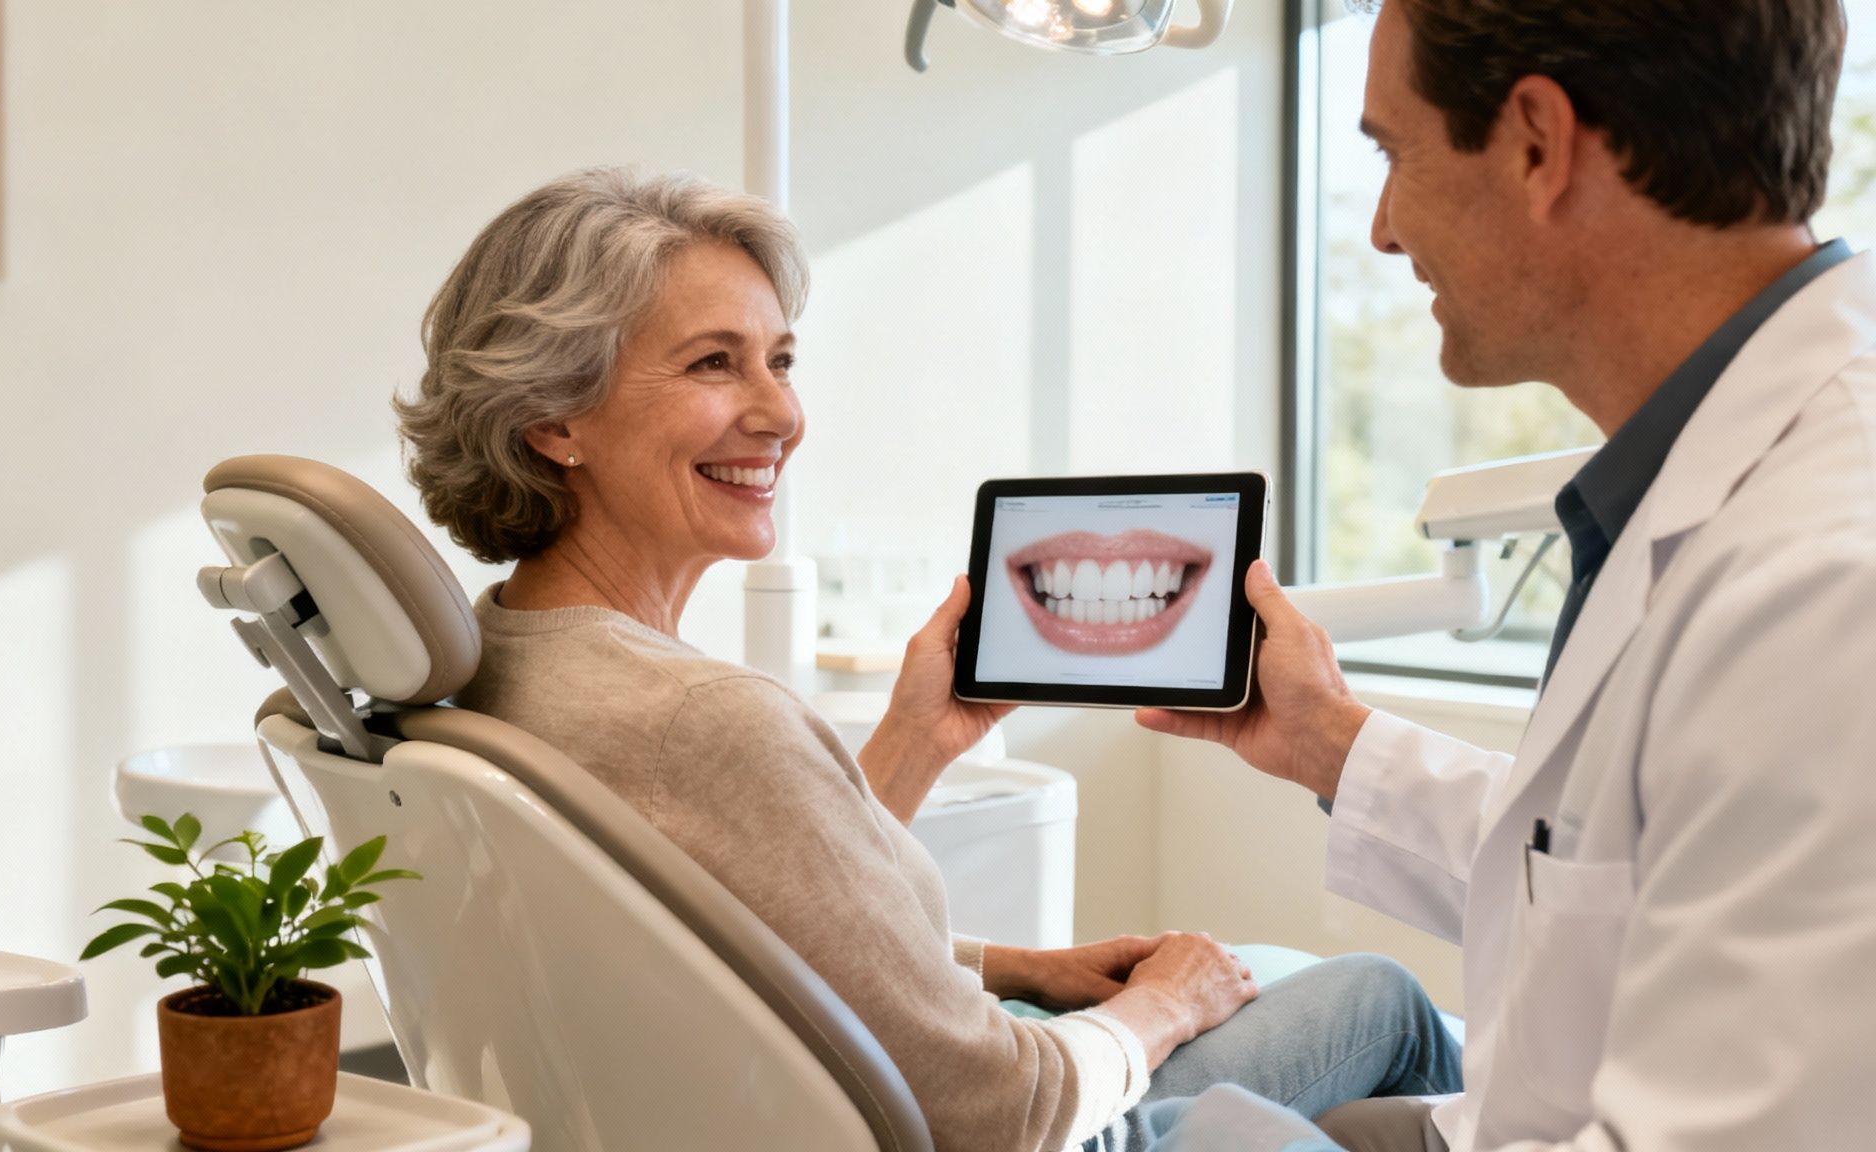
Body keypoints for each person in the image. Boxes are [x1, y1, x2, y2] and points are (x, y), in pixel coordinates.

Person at [394, 166, 1461, 1152]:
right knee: (1380, 995)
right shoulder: (700, 716)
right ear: (552, 421)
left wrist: (982, 898)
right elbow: (1010, 1110)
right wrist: (1166, 1002)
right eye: (713, 363)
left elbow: (722, 950)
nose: (779, 415)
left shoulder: (501, 669)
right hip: (1017, 1132)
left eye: (780, 360)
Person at [1138, 1, 1876, 1149]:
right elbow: (1604, 861)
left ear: (1536, 143)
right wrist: (1328, 739)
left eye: (1394, 154)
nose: (1381, 229)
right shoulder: (1703, 481)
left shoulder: (1829, 585)